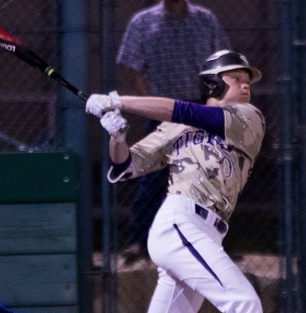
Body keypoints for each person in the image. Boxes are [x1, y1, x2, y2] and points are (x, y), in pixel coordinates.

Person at [86, 50, 265, 312]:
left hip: (210, 233)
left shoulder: (249, 117)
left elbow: (184, 111)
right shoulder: (175, 127)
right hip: (181, 223)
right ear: (212, 83)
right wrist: (118, 136)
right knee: (244, 303)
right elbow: (125, 165)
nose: (245, 84)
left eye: (247, 80)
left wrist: (118, 101)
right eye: (236, 78)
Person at [116, 0, 231, 262]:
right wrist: (151, 106)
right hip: (163, 110)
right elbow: (135, 70)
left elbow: (222, 66)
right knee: (154, 176)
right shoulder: (143, 22)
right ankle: (141, 241)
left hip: (200, 106)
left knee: (207, 175)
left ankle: (208, 241)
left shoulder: (205, 19)